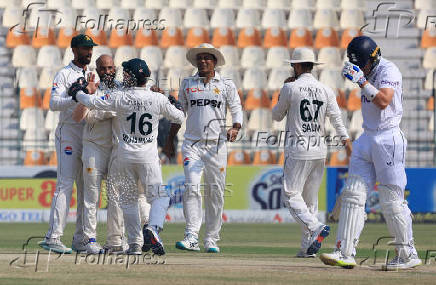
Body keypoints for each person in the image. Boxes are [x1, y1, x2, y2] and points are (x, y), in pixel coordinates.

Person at [320, 36, 421, 270]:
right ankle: (344, 252)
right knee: (354, 194)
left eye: (363, 63)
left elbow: (384, 101)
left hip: (389, 137)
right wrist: (361, 78)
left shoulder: (389, 70)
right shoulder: (365, 69)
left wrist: (362, 82)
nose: (360, 67)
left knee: (392, 201)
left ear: (373, 58)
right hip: (367, 136)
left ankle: (408, 254)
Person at [70, 58, 184, 255]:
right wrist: (175, 105)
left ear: (130, 77)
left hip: (124, 155)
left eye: (126, 73)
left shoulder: (119, 97)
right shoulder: (157, 98)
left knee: (128, 200)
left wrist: (78, 92)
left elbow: (91, 101)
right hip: (148, 157)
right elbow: (180, 118)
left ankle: (134, 245)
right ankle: (152, 228)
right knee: (159, 197)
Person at [272, 48, 351, 258]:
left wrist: (283, 89)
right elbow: (337, 120)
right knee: (310, 200)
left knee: (290, 195)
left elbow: (276, 115)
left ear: (297, 66)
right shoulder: (325, 89)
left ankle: (315, 227)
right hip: (319, 150)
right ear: (311, 66)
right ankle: (308, 247)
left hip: (298, 148)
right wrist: (347, 143)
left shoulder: (290, 88)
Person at [169, 43, 243, 253]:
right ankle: (191, 235)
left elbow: (236, 108)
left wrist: (235, 127)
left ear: (215, 62)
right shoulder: (187, 83)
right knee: (192, 187)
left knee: (216, 193)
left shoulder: (226, 84)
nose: (203, 61)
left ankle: (211, 238)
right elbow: (179, 113)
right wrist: (169, 140)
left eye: (207, 58)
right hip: (192, 144)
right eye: (199, 58)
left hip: (217, 145)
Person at [39, 34, 97, 254]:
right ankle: (53, 237)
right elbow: (53, 104)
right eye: (84, 48)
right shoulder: (64, 74)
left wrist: (87, 92)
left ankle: (81, 238)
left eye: (90, 48)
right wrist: (78, 97)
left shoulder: (90, 75)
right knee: (65, 184)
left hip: (89, 135)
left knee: (86, 190)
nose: (89, 52)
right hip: (69, 135)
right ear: (74, 50)